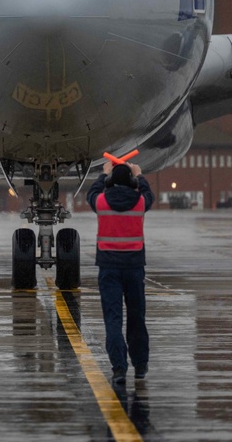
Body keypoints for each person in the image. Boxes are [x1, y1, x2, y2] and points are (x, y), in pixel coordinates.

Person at [87, 158, 154, 385]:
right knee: (137, 318)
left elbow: (92, 193)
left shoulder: (102, 202)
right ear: (132, 182)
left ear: (110, 182)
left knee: (113, 320)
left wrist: (104, 174)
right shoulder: (140, 203)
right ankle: (141, 365)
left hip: (109, 269)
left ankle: (119, 368)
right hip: (134, 268)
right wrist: (139, 174)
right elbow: (148, 194)